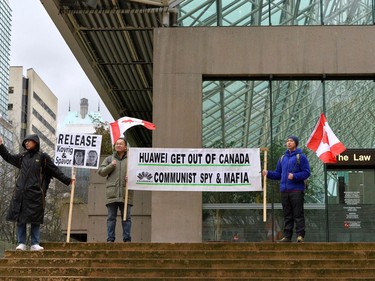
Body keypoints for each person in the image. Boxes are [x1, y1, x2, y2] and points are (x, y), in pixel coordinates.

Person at [0, 134, 73, 251]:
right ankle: (21, 243)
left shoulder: (43, 157)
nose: (27, 143)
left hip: (35, 194)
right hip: (21, 193)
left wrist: (68, 180)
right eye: (25, 142)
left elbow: (55, 170)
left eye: (29, 141)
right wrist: (1, 146)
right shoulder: (22, 156)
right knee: (20, 218)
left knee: (35, 219)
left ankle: (35, 243)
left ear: (36, 142)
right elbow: (8, 157)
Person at [262, 136, 310, 243]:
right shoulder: (282, 158)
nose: (288, 143)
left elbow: (307, 172)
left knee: (298, 213)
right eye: (287, 141)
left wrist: (295, 176)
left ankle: (300, 235)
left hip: (296, 189)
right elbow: (278, 174)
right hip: (284, 190)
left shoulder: (300, 157)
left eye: (291, 141)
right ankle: (287, 236)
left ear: (296, 143)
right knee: (287, 215)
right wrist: (268, 173)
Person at [98, 137, 133, 242]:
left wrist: (131, 178)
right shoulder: (109, 159)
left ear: (125, 147)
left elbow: (139, 174)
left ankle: (127, 239)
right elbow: (101, 172)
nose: (118, 145)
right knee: (111, 218)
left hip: (126, 193)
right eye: (117, 144)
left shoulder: (131, 159)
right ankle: (110, 239)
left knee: (126, 218)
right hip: (112, 193)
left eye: (121, 144)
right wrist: (111, 166)